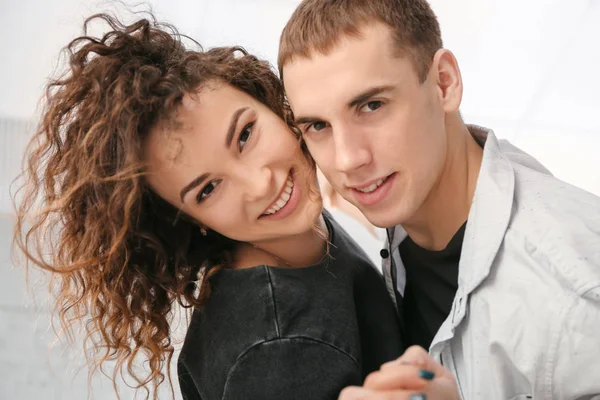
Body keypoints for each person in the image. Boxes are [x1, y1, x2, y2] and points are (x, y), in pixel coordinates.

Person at [12, 14, 406, 400]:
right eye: (208, 189)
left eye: (245, 135)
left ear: (270, 102)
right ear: (188, 220)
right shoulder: (276, 348)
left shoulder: (297, 234)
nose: (260, 184)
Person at [278, 0, 600, 399]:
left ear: (444, 83)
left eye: (372, 105)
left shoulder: (573, 295)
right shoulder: (408, 205)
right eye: (318, 125)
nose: (347, 160)